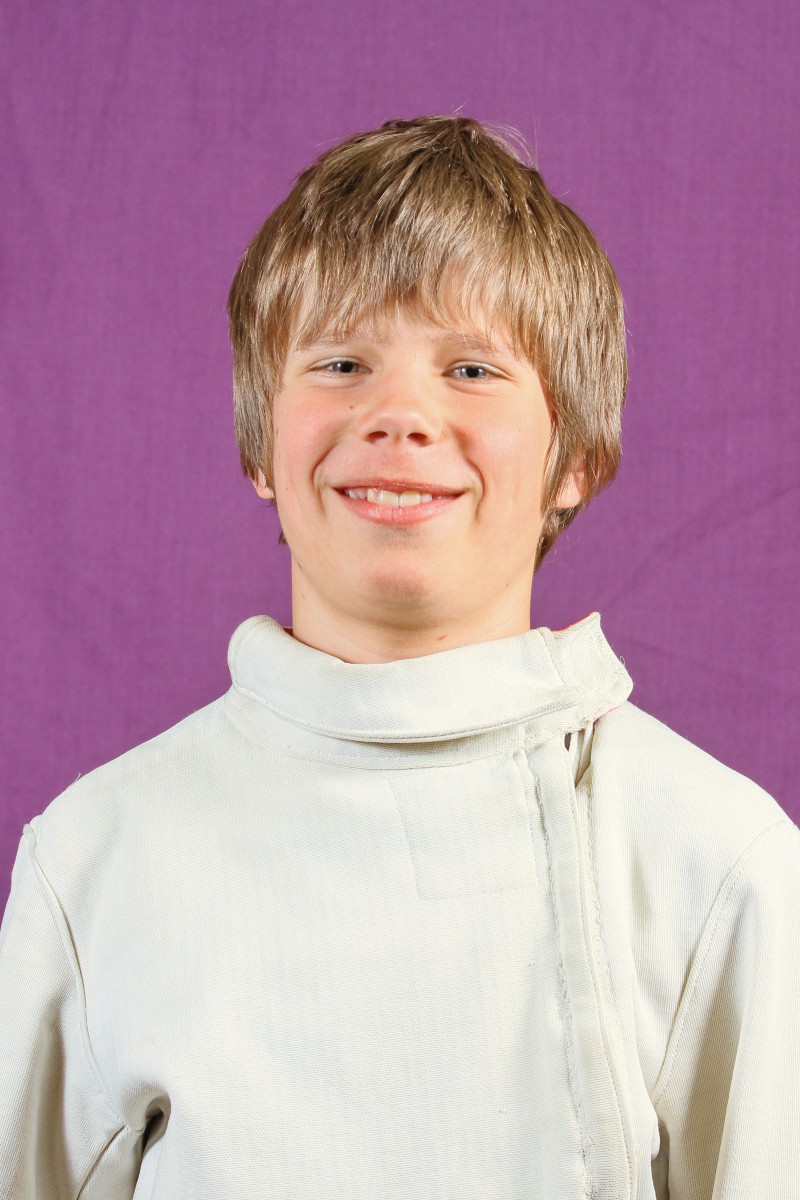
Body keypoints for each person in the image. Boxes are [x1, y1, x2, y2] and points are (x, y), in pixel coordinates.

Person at [0, 115, 797, 1199]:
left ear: (575, 457)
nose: (399, 415)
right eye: (340, 362)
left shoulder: (717, 861)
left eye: (471, 368)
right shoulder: (95, 857)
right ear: (260, 443)